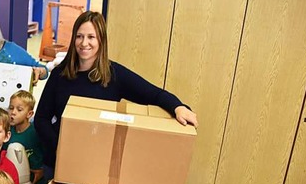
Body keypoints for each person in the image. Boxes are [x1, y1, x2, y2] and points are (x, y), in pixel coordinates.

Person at [34, 11, 198, 175]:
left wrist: (178, 107)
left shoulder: (113, 75)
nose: (84, 43)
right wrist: (60, 146)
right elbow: (41, 118)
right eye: (79, 36)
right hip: (59, 161)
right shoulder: (60, 74)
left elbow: (153, 94)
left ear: (101, 40)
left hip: (97, 164)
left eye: (91, 37)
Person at [7, 90, 47, 184]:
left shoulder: (37, 132)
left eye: (19, 110)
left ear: (29, 114)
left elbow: (48, 154)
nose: (13, 113)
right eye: (11, 108)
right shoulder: (7, 132)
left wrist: (42, 171)